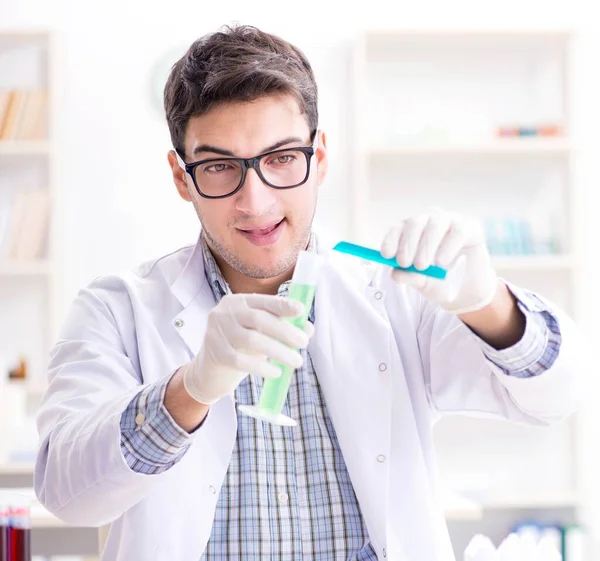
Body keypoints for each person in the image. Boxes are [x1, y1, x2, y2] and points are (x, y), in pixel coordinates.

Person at [34, 24, 584, 561]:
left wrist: (487, 302)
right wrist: (189, 391)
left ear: (318, 158)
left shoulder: (391, 295)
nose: (256, 201)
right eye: (221, 166)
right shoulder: (117, 310)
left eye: (280, 159)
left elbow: (555, 397)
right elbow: (69, 494)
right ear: (182, 177)